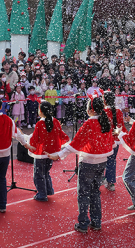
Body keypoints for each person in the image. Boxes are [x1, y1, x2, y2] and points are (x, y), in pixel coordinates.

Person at [47, 95, 114, 233]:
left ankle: (83, 223)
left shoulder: (89, 123)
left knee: (83, 193)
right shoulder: (105, 122)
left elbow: (76, 142)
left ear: (90, 110)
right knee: (95, 192)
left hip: (88, 162)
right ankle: (96, 221)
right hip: (101, 162)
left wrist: (59, 154)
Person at [24, 101, 69, 201]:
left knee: (38, 174)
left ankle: (42, 194)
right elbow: (60, 134)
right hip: (52, 153)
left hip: (41, 154)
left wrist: (25, 138)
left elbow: (35, 138)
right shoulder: (56, 121)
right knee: (46, 172)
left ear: (40, 111)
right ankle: (49, 190)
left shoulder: (40, 123)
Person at [103, 90, 127, 192]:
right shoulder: (119, 111)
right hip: (115, 140)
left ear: (104, 101)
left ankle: (102, 179)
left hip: (106, 141)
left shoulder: (103, 112)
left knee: (103, 161)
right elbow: (120, 126)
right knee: (112, 161)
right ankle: (110, 182)